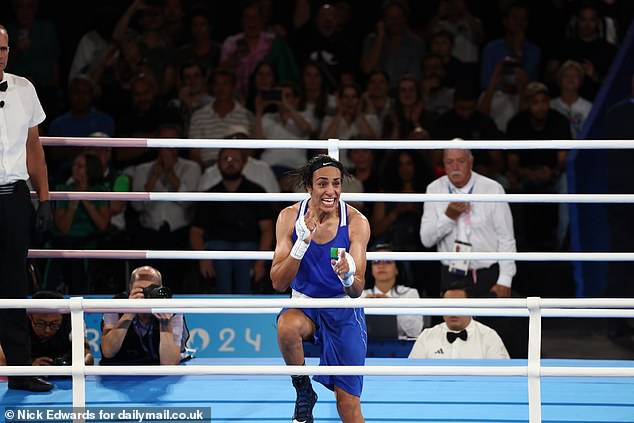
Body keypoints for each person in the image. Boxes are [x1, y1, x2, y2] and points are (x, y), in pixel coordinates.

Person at [270, 154, 370, 423]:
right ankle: (303, 390)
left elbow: (357, 289)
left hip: (344, 310)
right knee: (286, 326)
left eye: (336, 184)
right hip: (305, 305)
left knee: (347, 407)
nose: (331, 191)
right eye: (323, 184)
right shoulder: (289, 217)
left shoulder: (356, 222)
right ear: (309, 187)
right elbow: (278, 282)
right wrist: (300, 244)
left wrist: (348, 276)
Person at [0, 24, 54, 392]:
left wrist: (45, 198)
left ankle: (19, 371)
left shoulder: (23, 88)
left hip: (14, 197)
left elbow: (34, 148)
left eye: (2, 48)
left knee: (14, 284)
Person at [420, 147, 516, 298]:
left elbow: (506, 237)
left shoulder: (492, 189)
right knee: (454, 321)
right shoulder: (434, 189)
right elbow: (426, 239)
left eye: (461, 161)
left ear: (470, 162)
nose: (455, 166)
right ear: (443, 164)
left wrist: (505, 279)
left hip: (487, 273)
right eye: (450, 162)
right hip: (451, 274)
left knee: (490, 320)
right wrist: (448, 217)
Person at [190, 148, 274, 294]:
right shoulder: (210, 195)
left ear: (243, 163)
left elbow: (267, 229)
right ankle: (222, 307)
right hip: (217, 247)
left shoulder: (256, 192)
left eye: (235, 160)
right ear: (218, 163)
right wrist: (202, 258)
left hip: (248, 247)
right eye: (226, 159)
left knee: (243, 252)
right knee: (219, 250)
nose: (230, 163)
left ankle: (244, 307)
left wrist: (261, 262)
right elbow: (196, 232)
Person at [100, 266, 190, 365]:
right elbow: (108, 352)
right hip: (121, 369)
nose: (146, 295)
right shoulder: (115, 305)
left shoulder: (171, 309)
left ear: (160, 289)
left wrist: (165, 325)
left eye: (151, 289)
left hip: (157, 373)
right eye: (140, 290)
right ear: (130, 288)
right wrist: (128, 313)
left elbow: (169, 363)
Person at [408, 280, 510, 359]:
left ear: (471, 307)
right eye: (448, 306)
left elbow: (502, 379)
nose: (453, 312)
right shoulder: (426, 336)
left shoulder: (489, 337)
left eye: (458, 306)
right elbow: (411, 374)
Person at [0, 290, 94, 367]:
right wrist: (29, 365)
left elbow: (86, 354)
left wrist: (80, 362)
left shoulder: (73, 320)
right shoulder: (18, 323)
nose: (47, 330)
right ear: (30, 316)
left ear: (62, 316)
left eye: (54, 324)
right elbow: (2, 360)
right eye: (40, 323)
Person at [362, 243, 424, 339]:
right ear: (371, 269)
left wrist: (391, 305)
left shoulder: (410, 293)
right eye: (376, 261)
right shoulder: (360, 296)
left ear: (397, 268)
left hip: (400, 348)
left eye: (387, 261)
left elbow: (415, 331)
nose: (381, 266)